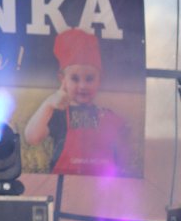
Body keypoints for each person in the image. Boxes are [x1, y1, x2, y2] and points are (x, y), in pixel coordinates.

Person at [24, 28, 131, 176]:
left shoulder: (107, 115)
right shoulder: (58, 114)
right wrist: (48, 104)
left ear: (100, 80)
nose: (82, 86)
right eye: (75, 78)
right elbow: (32, 137)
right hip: (63, 182)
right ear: (63, 79)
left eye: (89, 79)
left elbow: (123, 150)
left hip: (99, 185)